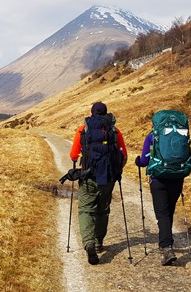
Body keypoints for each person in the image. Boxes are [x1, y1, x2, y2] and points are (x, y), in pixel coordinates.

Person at [70, 101, 128, 265]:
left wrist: (81, 159)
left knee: (86, 209)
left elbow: (73, 155)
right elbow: (124, 155)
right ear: (106, 114)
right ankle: (99, 242)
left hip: (88, 176)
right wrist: (117, 170)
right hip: (108, 178)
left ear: (91, 113)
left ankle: (89, 244)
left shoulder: (83, 129)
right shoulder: (115, 131)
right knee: (103, 209)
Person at [135, 132, 184, 266]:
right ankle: (165, 240)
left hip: (158, 179)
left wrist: (138, 161)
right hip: (177, 178)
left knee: (162, 214)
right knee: (169, 211)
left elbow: (145, 160)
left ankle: (167, 247)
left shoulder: (152, 136)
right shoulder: (180, 134)